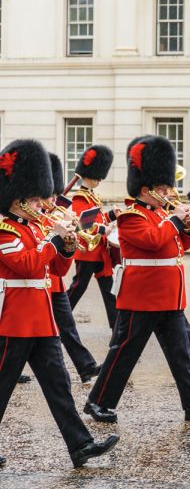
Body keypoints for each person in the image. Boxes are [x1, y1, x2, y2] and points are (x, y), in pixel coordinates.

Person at [84, 136, 190, 424]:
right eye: (163, 188)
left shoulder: (161, 214)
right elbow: (152, 241)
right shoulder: (131, 216)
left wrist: (186, 228)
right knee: (124, 352)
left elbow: (177, 248)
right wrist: (174, 221)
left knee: (181, 354)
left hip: (167, 297)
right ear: (146, 189)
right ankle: (98, 402)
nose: (168, 192)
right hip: (141, 296)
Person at [0, 139, 119, 467]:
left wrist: (67, 245)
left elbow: (57, 268)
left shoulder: (36, 227)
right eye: (36, 199)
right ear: (19, 198)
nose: (41, 205)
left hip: (40, 318)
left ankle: (80, 444)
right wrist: (53, 241)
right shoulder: (4, 231)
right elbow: (26, 264)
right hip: (15, 319)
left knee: (59, 384)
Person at [45, 153, 100, 382]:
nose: (51, 199)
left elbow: (61, 262)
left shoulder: (51, 213)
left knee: (67, 325)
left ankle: (85, 365)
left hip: (53, 282)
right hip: (33, 283)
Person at [66, 145, 119, 328]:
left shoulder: (92, 196)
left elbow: (99, 218)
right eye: (97, 177)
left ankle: (116, 328)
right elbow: (84, 223)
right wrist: (103, 229)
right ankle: (60, 315)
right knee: (78, 287)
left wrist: (112, 214)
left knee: (109, 291)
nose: (99, 181)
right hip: (88, 252)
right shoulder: (80, 197)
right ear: (89, 176)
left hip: (100, 251)